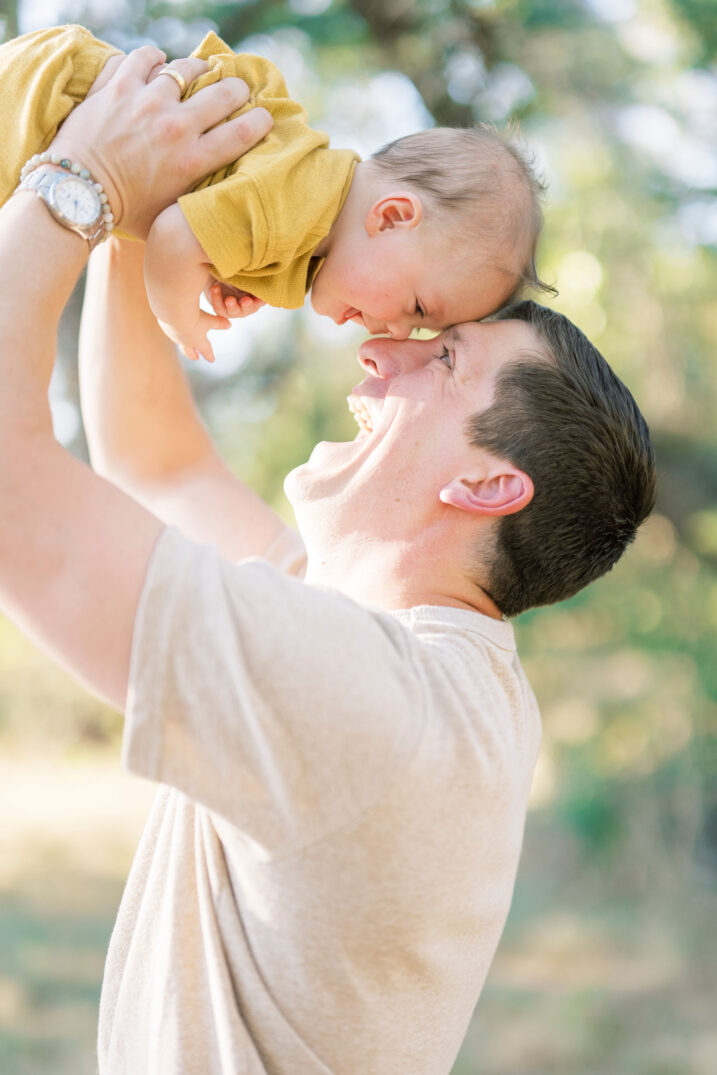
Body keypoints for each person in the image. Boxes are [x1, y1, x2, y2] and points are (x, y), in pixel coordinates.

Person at [0, 47, 655, 1075]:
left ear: (487, 485)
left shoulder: (371, 709)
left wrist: (81, 183)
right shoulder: (421, 665)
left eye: (440, 354)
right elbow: (154, 461)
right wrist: (158, 211)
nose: (378, 347)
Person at [0, 24, 547, 362]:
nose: (399, 332)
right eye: (418, 308)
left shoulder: (306, 218)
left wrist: (222, 262)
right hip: (48, 105)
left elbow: (197, 209)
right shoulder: (302, 204)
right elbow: (171, 234)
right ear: (393, 216)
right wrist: (177, 315)